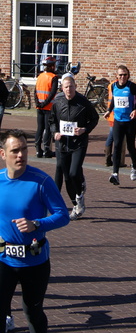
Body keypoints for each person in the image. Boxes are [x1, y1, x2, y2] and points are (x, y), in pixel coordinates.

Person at [0, 129, 69, 333]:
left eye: (24, 149)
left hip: (34, 261)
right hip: (3, 259)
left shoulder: (41, 182)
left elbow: (63, 215)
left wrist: (36, 224)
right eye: (15, 151)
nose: (20, 155)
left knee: (33, 312)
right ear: (3, 153)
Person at [51, 75, 99, 219]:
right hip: (63, 144)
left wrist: (84, 129)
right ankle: (76, 204)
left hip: (79, 143)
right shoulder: (58, 102)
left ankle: (79, 197)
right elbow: (52, 120)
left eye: (71, 86)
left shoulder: (83, 102)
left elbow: (95, 119)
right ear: (62, 88)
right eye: (66, 87)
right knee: (67, 177)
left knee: (73, 172)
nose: (69, 89)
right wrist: (55, 133)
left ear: (75, 87)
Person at [103, 65, 136, 186]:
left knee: (130, 146)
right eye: (120, 75)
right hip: (118, 121)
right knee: (117, 146)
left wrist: (135, 110)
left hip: (129, 121)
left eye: (124, 75)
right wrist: (109, 110)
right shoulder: (113, 86)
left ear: (128, 75)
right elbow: (114, 100)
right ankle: (115, 174)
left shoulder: (132, 86)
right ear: (117, 76)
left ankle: (134, 167)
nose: (122, 77)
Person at [34, 56, 58, 158]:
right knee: (48, 129)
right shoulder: (54, 77)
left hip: (39, 107)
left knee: (40, 128)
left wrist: (37, 103)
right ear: (52, 66)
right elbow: (52, 93)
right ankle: (47, 150)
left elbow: (35, 91)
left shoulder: (40, 76)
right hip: (48, 107)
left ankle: (38, 150)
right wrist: (44, 103)